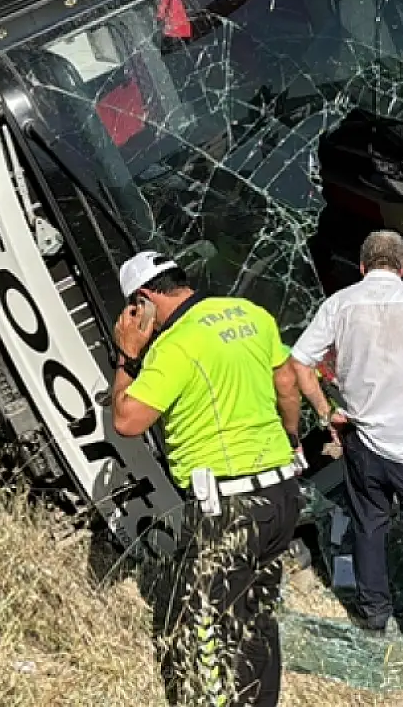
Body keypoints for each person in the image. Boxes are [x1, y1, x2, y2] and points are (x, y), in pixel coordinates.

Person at [109, 250, 302, 707]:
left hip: (230, 506)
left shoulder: (175, 345)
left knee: (211, 628)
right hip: (281, 494)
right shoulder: (249, 314)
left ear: (143, 300)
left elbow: (127, 420)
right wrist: (290, 439)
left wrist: (126, 356)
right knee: (256, 620)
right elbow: (288, 384)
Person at [288, 230, 403, 648]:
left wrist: (326, 410)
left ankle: (373, 615)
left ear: (362, 265)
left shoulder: (341, 304)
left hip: (363, 440)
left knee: (370, 526)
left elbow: (298, 362)